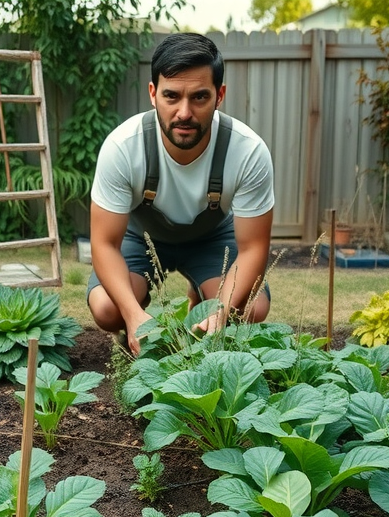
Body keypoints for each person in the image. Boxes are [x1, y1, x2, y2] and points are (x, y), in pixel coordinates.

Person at [87, 33, 275, 356]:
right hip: (141, 237)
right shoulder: (122, 147)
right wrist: (134, 318)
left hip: (212, 240)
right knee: (107, 308)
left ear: (219, 96)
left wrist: (221, 314)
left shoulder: (248, 152)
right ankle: (135, 319)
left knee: (253, 308)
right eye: (171, 96)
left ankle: (200, 297)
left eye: (199, 97)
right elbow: (103, 244)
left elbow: (254, 248)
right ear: (153, 94)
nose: (184, 113)